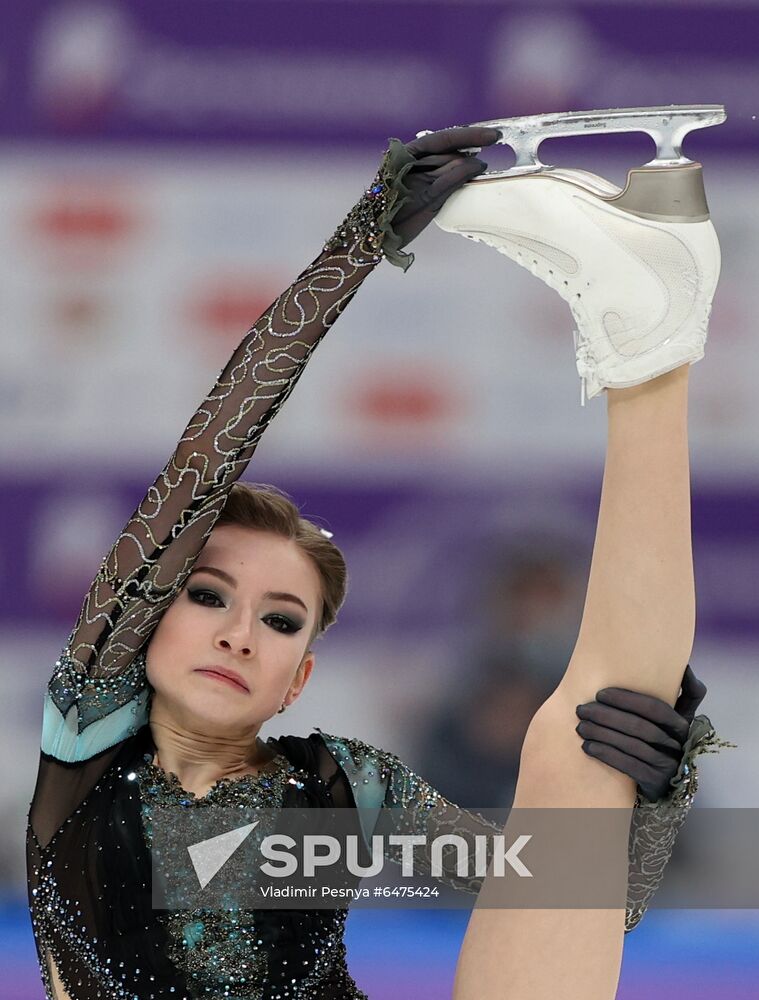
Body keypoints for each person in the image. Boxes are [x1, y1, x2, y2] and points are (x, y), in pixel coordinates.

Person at [26, 126, 718, 1000]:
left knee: (579, 740)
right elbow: (203, 461)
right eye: (207, 597)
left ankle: (649, 344)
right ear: (147, 613)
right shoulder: (84, 744)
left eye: (280, 619)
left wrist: (649, 795)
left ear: (299, 676)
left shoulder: (339, 785)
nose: (240, 635)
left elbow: (577, 903)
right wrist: (363, 241)